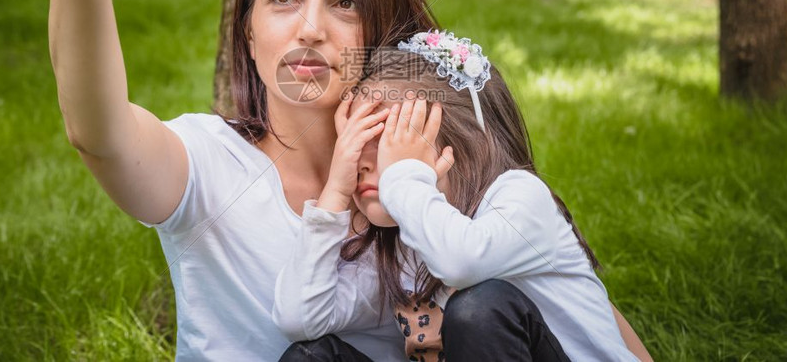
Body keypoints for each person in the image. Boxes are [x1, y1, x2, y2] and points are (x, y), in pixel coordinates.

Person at [49, 0, 439, 360]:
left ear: (381, 36)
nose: (310, 29)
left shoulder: (420, 164)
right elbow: (100, 134)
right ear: (250, 35)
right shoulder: (210, 163)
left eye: (345, 3)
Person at [273, 30, 653, 361]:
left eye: (387, 138)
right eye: (353, 141)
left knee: (480, 308)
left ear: (457, 136)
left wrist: (406, 176)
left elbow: (460, 263)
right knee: (311, 355)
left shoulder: (519, 196)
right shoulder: (400, 245)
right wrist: (335, 191)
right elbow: (299, 319)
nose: (361, 161)